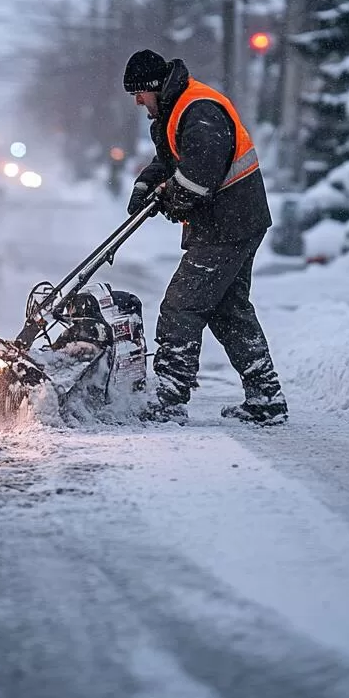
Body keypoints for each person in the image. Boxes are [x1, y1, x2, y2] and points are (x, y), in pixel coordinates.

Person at [123, 48, 287, 426]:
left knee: (183, 305)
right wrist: (146, 184)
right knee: (229, 310)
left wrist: (171, 199)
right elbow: (171, 159)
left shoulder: (200, 109)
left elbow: (199, 174)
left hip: (229, 223)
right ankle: (266, 398)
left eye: (138, 93)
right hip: (229, 222)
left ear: (153, 88)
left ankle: (168, 395)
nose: (137, 101)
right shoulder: (174, 111)